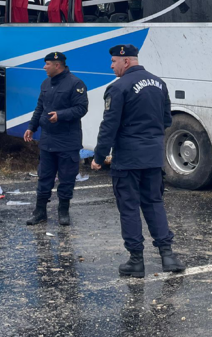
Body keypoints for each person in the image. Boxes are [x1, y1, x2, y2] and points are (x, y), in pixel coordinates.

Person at [91, 44, 185, 278]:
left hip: (128, 159)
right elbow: (166, 120)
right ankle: (168, 256)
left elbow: (109, 126)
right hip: (153, 157)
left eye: (114, 61)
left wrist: (99, 156)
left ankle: (136, 261)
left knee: (129, 207)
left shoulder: (118, 87)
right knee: (154, 203)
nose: (111, 66)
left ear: (126, 61)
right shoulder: (158, 83)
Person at [24, 52, 88, 226]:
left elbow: (81, 108)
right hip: (48, 140)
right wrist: (31, 127)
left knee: (67, 178)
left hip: (68, 141)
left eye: (47, 64)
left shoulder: (76, 84)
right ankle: (40, 212)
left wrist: (61, 115)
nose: (44, 67)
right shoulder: (45, 83)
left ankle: (63, 211)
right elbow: (39, 108)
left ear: (57, 65)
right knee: (44, 177)